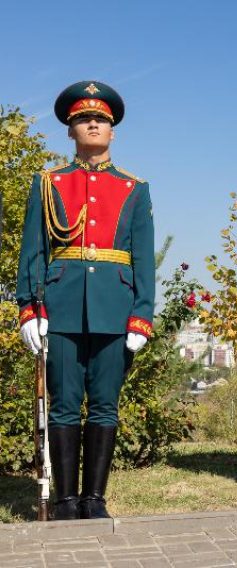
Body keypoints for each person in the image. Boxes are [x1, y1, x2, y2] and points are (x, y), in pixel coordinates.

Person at [16, 81, 154, 519]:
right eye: (83, 119)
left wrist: (141, 316)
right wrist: (29, 308)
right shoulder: (49, 183)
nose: (93, 124)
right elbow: (33, 250)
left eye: (101, 120)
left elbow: (143, 259)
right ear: (71, 130)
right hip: (59, 307)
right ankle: (64, 500)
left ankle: (94, 499)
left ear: (112, 132)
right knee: (62, 402)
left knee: (105, 403)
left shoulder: (135, 188)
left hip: (115, 309)